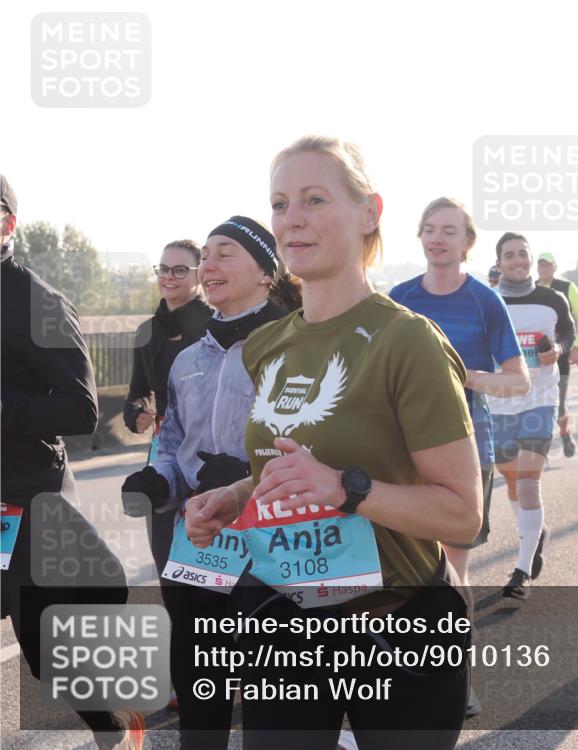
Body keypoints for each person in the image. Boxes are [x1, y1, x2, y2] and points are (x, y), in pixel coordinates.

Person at [186, 136, 481, 749]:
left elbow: (461, 513)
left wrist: (348, 489)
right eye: (281, 203)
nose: (293, 217)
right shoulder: (268, 347)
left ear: (370, 212)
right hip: (287, 627)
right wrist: (235, 497)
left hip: (400, 628)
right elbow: (280, 467)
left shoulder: (409, 342)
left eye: (315, 199)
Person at [121, 217, 299, 749]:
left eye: (226, 254)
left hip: (277, 545)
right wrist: (160, 480)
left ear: (267, 273)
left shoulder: (298, 348)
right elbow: (176, 443)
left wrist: (247, 476)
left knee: (277, 703)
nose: (209, 265)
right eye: (208, 256)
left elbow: (324, 443)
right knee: (201, 698)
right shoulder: (186, 360)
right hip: (201, 543)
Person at [0, 174, 143, 750]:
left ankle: (115, 734)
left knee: (49, 646)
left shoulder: (36, 301)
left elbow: (82, 409)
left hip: (23, 498)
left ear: (6, 223)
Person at [389, 197, 528, 717]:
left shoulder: (485, 301)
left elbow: (519, 379)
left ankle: (457, 682)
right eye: (429, 229)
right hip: (399, 454)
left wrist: (465, 377)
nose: (437, 238)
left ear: (466, 241)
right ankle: (401, 680)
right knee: (397, 576)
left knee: (450, 574)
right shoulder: (398, 299)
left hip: (468, 450)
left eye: (449, 230)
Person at [489, 233, 575, 599]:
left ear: (531, 258)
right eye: (510, 255)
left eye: (523, 254)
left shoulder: (551, 298)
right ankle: (535, 532)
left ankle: (520, 571)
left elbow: (568, 334)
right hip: (499, 402)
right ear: (500, 262)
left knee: (527, 482)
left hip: (540, 398)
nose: (518, 260)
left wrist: (557, 348)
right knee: (511, 481)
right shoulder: (489, 300)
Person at [122, 240, 212, 578]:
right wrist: (137, 414)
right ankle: (180, 626)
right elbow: (136, 393)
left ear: (199, 274)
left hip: (211, 448)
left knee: (210, 550)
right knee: (164, 552)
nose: (168, 277)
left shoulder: (216, 324)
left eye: (179, 270)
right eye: (163, 269)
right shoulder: (147, 332)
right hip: (164, 450)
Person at [536, 252, 578, 457]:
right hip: (535, 354)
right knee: (537, 400)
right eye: (541, 265)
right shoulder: (531, 289)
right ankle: (542, 444)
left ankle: (565, 434)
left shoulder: (567, 288)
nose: (544, 269)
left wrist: (576, 347)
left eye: (548, 265)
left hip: (562, 352)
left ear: (555, 267)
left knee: (559, 400)